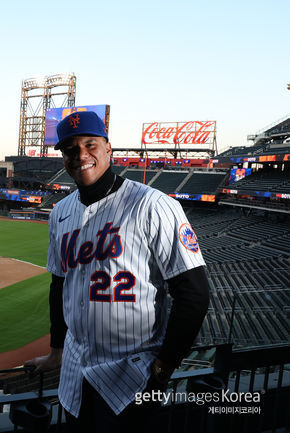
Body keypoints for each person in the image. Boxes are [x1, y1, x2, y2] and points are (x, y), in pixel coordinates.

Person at [25, 111, 210, 432]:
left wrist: (165, 365)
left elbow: (193, 292)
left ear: (108, 149)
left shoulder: (153, 205)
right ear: (63, 157)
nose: (81, 155)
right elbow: (59, 284)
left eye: (90, 144)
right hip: (74, 375)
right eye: (70, 149)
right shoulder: (60, 212)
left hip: (134, 375)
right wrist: (56, 351)